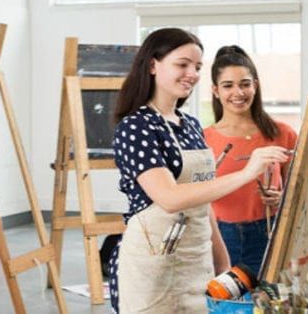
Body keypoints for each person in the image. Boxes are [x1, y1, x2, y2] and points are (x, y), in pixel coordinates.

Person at [108, 28, 289, 313]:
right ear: (153, 65)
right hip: (153, 265)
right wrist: (245, 173)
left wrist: (222, 261)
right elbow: (169, 198)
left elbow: (202, 202)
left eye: (197, 67)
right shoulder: (136, 126)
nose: (191, 73)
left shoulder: (189, 124)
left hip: (196, 259)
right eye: (182, 64)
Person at [204, 46, 298, 275]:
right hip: (219, 236)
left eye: (245, 84)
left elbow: (299, 189)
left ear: (255, 86)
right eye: (228, 86)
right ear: (215, 91)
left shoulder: (282, 133)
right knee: (227, 307)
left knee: (267, 304)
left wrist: (282, 197)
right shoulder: (203, 138)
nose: (238, 92)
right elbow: (197, 194)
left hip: (268, 231)